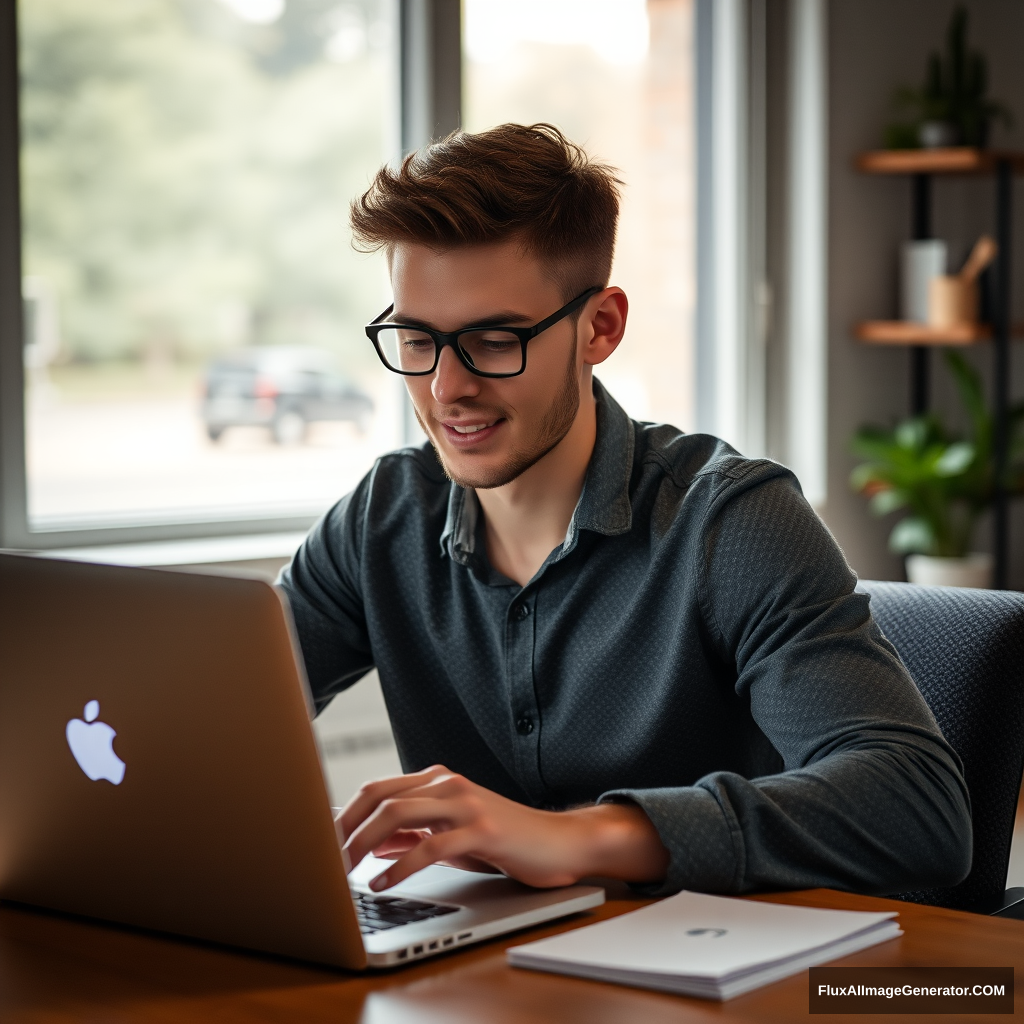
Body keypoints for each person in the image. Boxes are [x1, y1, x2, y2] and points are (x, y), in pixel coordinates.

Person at [279, 123, 971, 898]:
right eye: (417, 338)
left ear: (599, 327)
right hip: (482, 983)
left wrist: (578, 836)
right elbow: (209, 709)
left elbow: (919, 812)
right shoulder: (382, 519)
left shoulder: (731, 521)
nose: (446, 389)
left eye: (494, 339)